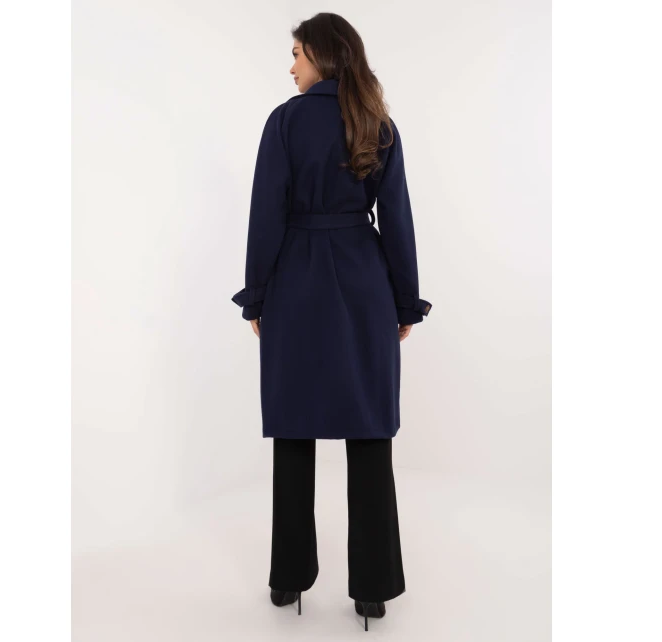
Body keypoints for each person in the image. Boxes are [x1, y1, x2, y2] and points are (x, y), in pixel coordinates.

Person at [231, 12, 432, 632]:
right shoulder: (377, 124)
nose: (290, 65)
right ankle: (372, 589)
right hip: (364, 284)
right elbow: (396, 218)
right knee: (369, 433)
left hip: (296, 285)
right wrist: (403, 301)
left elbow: (266, 213)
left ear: (321, 54)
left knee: (294, 431)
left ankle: (289, 578)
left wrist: (258, 296)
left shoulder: (285, 122)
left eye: (296, 53)